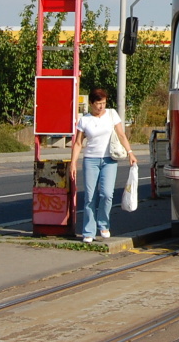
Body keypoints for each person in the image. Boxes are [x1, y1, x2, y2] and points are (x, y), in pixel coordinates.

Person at [70, 88, 137, 243]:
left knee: (107, 194)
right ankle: (89, 231)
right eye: (98, 103)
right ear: (92, 103)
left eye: (104, 103)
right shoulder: (85, 120)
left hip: (109, 160)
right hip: (91, 160)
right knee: (89, 197)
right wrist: (73, 163)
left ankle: (104, 224)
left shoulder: (112, 114)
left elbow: (121, 134)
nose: (101, 106)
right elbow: (78, 143)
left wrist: (130, 153)